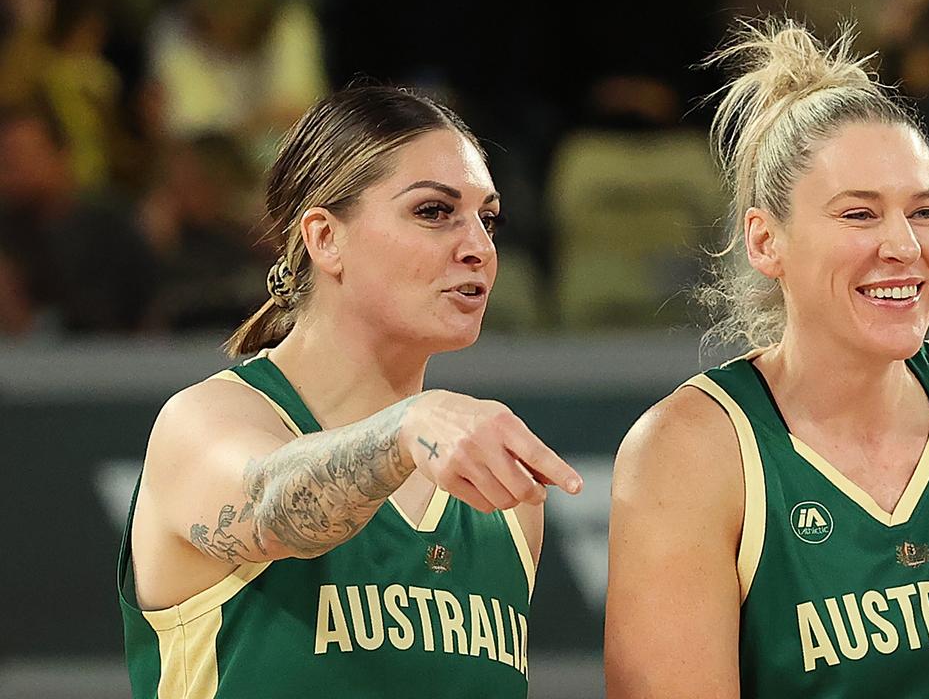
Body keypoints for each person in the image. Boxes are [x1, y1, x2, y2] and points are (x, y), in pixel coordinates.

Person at [606, 18, 929, 698]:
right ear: (766, 241)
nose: (903, 245)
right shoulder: (690, 453)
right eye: (860, 215)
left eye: (923, 212)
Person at [117, 85, 582, 698]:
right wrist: (404, 428)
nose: (479, 248)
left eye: (487, 219)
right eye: (434, 212)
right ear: (324, 237)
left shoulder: (507, 502)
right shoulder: (204, 421)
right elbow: (271, 511)